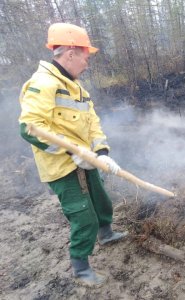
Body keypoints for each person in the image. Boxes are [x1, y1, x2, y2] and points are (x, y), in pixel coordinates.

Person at [18, 23, 127, 287]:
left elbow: (92, 122)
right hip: (61, 167)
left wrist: (101, 152)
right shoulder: (42, 83)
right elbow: (29, 128)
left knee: (101, 201)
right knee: (83, 216)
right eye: (85, 57)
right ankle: (81, 267)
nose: (87, 64)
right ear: (70, 54)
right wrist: (70, 150)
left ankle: (106, 233)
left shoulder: (77, 88)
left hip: (86, 159)